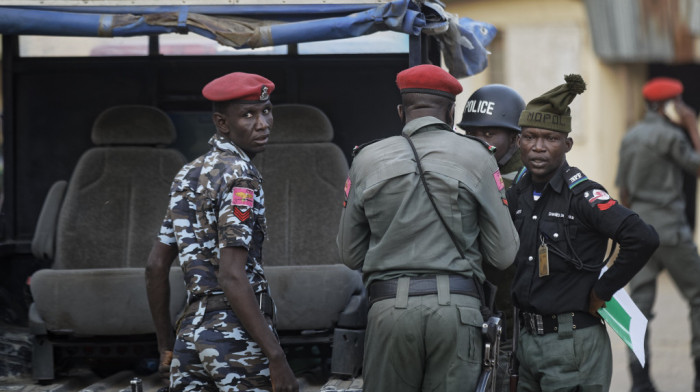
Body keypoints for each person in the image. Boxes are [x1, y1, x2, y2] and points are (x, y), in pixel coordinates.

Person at [337, 63, 520, 392]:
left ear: (400, 111)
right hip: (457, 313)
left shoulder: (365, 159)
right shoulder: (478, 157)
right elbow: (504, 254)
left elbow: (350, 254)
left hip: (389, 312)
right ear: (451, 112)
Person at [145, 71, 299, 392]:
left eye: (266, 110)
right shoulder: (240, 175)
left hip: (190, 333)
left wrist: (166, 346)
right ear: (222, 122)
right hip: (236, 334)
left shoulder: (187, 173)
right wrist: (276, 357)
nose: (263, 124)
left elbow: (155, 266)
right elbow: (231, 274)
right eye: (248, 115)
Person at [507, 74, 659, 391]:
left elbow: (642, 237)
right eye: (529, 136)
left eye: (549, 138)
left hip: (572, 342)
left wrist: (603, 290)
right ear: (518, 141)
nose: (538, 147)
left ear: (567, 144)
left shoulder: (582, 195)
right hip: (527, 342)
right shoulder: (518, 192)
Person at [616, 77, 700, 392]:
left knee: (638, 309)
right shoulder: (671, 135)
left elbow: (623, 193)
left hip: (641, 233)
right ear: (666, 106)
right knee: (698, 297)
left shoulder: (631, 136)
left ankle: (640, 382)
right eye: (678, 103)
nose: (683, 108)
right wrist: (692, 124)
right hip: (672, 232)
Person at [457, 83, 526, 392]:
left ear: (514, 138)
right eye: (471, 134)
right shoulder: (462, 169)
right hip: (477, 314)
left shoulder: (526, 177)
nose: (478, 143)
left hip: (514, 319)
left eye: (489, 135)